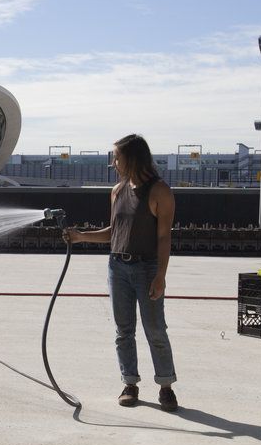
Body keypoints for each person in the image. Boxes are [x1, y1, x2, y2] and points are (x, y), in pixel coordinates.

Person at [63, 134, 178, 412]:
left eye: (117, 157)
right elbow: (115, 233)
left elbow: (164, 238)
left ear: (133, 158)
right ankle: (130, 383)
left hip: (147, 268)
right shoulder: (117, 190)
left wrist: (160, 275)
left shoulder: (159, 191)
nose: (114, 163)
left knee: (155, 329)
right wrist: (81, 237)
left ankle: (166, 387)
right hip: (118, 267)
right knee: (123, 330)